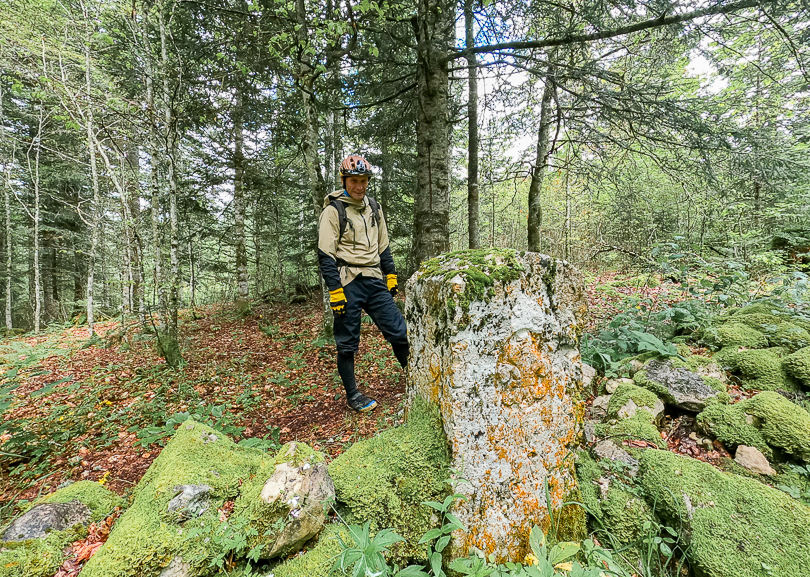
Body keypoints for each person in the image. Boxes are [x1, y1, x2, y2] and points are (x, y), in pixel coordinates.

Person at [317, 154, 409, 412]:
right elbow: (326, 255)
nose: (360, 186)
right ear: (345, 180)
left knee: (399, 331)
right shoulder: (333, 211)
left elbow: (384, 247)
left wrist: (390, 275)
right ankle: (352, 395)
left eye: (364, 180)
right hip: (347, 281)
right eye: (354, 181)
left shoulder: (374, 208)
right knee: (347, 343)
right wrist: (335, 291)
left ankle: (413, 377)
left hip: (373, 278)